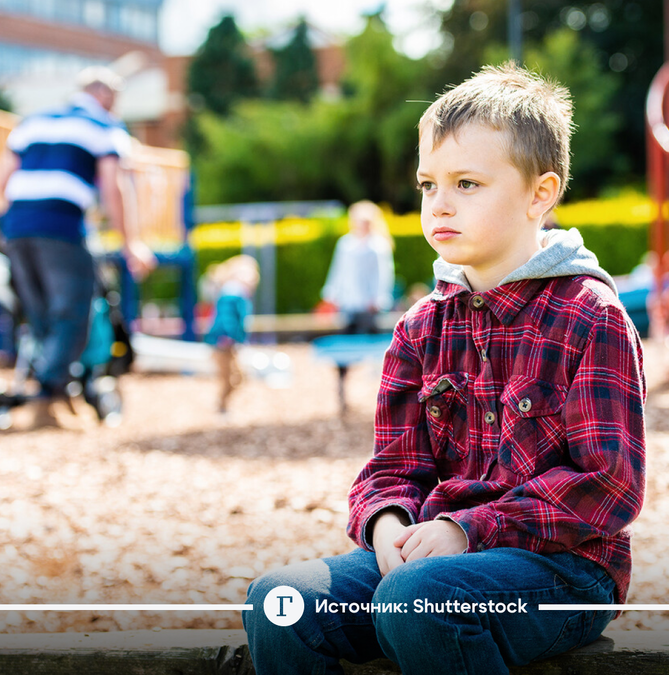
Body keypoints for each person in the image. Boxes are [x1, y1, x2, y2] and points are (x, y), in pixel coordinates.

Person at [244, 64, 646, 674]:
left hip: (564, 571)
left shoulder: (591, 316)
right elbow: (393, 465)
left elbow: (609, 484)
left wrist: (467, 530)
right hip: (429, 558)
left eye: (466, 183)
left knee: (416, 601)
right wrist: (388, 523)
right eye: (428, 185)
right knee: (280, 602)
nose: (440, 205)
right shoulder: (420, 327)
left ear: (541, 194)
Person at [0, 66, 156, 429]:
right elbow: (114, 187)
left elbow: (1, 177)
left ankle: (57, 393)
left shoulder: (34, 121)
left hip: (17, 225)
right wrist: (131, 243)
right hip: (61, 225)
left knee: (40, 314)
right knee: (74, 312)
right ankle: (48, 398)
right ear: (106, 96)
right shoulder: (104, 126)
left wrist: (6, 223)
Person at [321, 200, 395, 411]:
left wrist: (379, 298)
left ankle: (385, 396)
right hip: (349, 304)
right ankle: (342, 394)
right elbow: (338, 271)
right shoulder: (345, 244)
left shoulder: (378, 245)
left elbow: (384, 275)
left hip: (369, 307)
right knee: (344, 350)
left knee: (378, 350)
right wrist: (332, 294)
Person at [202, 254, 259, 415]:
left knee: (236, 377)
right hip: (224, 341)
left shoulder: (234, 291)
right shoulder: (233, 292)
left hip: (228, 341)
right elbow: (226, 317)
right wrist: (228, 335)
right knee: (230, 377)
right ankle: (221, 408)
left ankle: (224, 407)